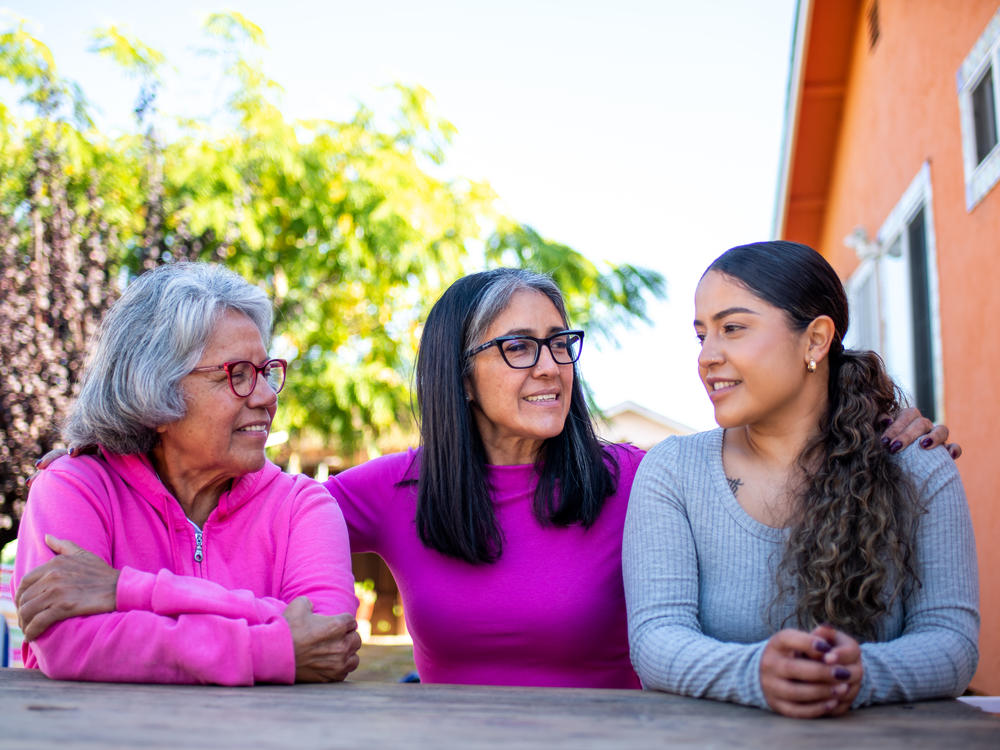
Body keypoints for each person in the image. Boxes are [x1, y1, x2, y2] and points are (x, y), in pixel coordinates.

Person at [19, 266, 952, 688]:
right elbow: (257, 565)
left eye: (559, 343)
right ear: (456, 373)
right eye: (516, 347)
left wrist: (869, 422)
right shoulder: (376, 494)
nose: (549, 366)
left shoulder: (648, 479)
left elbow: (773, 458)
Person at [623, 241, 978, 716]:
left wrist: (857, 675)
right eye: (701, 335)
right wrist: (755, 674)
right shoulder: (673, 472)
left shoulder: (915, 464)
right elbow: (655, 641)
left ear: (815, 340)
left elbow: (951, 644)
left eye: (732, 328)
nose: (707, 356)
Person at [13, 262, 360, 685]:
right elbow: (71, 644)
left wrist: (126, 590)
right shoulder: (74, 488)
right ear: (154, 392)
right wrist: (272, 648)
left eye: (266, 371)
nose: (268, 396)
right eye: (238, 375)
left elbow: (328, 637)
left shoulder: (302, 505)